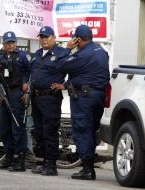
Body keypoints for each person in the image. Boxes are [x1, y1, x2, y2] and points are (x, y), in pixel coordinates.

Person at [51, 25, 110, 180]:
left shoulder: (83, 55)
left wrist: (67, 49)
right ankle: (89, 166)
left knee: (82, 131)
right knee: (90, 130)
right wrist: (65, 85)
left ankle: (87, 169)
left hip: (84, 98)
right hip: (98, 96)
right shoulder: (102, 52)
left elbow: (60, 65)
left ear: (77, 39)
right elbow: (86, 74)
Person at [30, 26, 68, 176]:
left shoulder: (61, 53)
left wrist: (64, 85)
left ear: (54, 38)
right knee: (39, 132)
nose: (44, 40)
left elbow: (74, 69)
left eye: (47, 37)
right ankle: (45, 162)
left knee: (50, 132)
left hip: (50, 98)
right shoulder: (38, 54)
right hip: (36, 97)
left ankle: (51, 165)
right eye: (42, 37)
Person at [0, 31, 30, 172]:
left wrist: (27, 85)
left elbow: (31, 72)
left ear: (16, 43)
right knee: (5, 128)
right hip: (4, 94)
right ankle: (8, 158)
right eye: (8, 43)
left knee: (18, 128)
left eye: (12, 42)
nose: (10, 45)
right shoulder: (0, 57)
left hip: (17, 94)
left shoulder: (23, 56)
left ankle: (20, 160)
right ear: (3, 44)